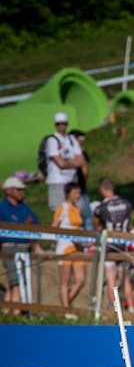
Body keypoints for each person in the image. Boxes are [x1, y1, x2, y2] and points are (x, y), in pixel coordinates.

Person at [95, 178, 134, 311]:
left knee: (111, 278)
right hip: (123, 243)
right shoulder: (127, 203)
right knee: (125, 277)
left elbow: (99, 225)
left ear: (102, 190)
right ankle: (131, 308)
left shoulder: (101, 207)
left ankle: (116, 308)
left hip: (109, 245)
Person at [0, 175, 39, 309]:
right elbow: (15, 224)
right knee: (16, 281)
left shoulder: (24, 207)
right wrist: (24, 224)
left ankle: (7, 313)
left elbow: (34, 220)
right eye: (18, 189)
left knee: (12, 282)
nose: (21, 192)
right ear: (8, 191)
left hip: (23, 247)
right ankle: (16, 314)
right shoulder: (3, 209)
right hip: (10, 247)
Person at [53, 183, 90, 314]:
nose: (78, 196)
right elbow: (54, 226)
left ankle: (65, 307)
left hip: (77, 247)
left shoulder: (77, 208)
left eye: (79, 193)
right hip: (65, 247)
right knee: (66, 280)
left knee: (81, 280)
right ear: (68, 193)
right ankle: (66, 309)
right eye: (76, 193)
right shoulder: (62, 208)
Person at [43, 112, 85, 212]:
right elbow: (60, 163)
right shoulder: (52, 140)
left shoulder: (71, 139)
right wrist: (73, 163)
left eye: (63, 123)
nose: (61, 126)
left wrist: (69, 162)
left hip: (72, 180)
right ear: (55, 125)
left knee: (77, 208)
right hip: (57, 181)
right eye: (59, 123)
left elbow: (81, 159)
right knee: (59, 210)